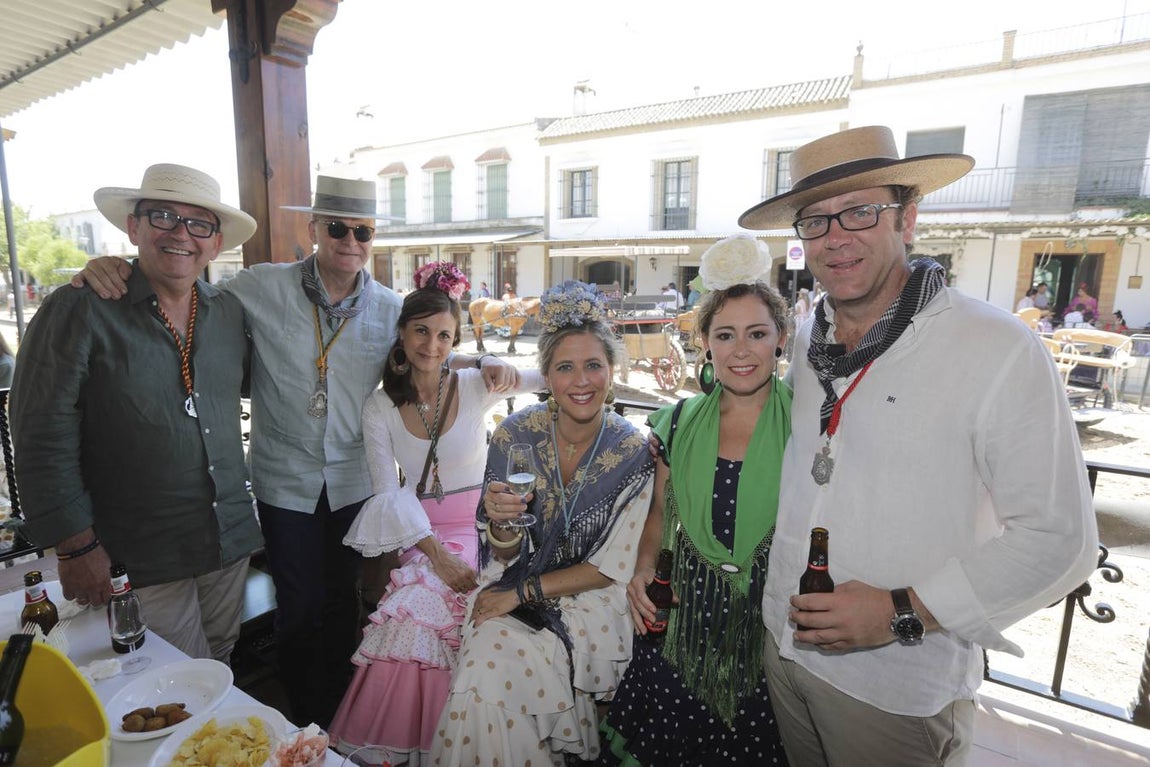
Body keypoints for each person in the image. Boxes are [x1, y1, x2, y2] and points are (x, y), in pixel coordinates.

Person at [72, 175, 518, 729]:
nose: (349, 241)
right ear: (313, 229)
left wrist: (483, 365)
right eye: (337, 227)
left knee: (342, 601)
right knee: (298, 606)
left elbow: (429, 355)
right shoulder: (258, 286)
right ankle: (304, 715)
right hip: (285, 482)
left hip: (355, 482)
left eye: (362, 231)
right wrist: (116, 266)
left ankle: (336, 716)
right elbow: (182, 292)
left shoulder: (388, 308)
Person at [737, 125, 1098, 767]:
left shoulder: (995, 348)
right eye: (815, 221)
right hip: (784, 649)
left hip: (896, 684)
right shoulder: (810, 341)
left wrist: (900, 613)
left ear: (907, 218)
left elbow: (1060, 540)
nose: (836, 236)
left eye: (860, 211)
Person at [10, 164, 262, 661]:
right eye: (162, 216)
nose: (180, 234)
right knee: (170, 685)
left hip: (224, 540)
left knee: (220, 664)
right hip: (139, 550)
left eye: (198, 224)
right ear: (134, 227)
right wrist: (74, 546)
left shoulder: (229, 314)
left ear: (214, 244)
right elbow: (40, 436)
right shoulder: (79, 308)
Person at [328, 263, 544, 764]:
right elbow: (387, 493)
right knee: (416, 614)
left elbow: (549, 375)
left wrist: (497, 360)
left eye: (444, 335)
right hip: (424, 533)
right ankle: (414, 746)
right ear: (401, 335)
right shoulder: (379, 406)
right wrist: (437, 559)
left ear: (456, 340)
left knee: (478, 620)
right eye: (421, 331)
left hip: (486, 525)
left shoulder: (473, 384)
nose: (431, 345)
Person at [433, 281, 656, 765]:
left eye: (593, 365)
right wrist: (503, 524)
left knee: (487, 665)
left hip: (593, 593)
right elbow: (504, 552)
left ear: (611, 372)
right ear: (548, 377)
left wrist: (522, 594)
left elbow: (612, 566)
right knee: (484, 662)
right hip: (517, 574)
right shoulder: (516, 435)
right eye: (565, 367)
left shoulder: (632, 452)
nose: (581, 381)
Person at [600, 235, 791, 766]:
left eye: (757, 333)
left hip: (767, 645)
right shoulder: (677, 423)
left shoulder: (808, 427)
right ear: (705, 342)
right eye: (725, 334)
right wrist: (641, 572)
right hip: (680, 635)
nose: (742, 349)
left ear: (781, 337)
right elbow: (659, 517)